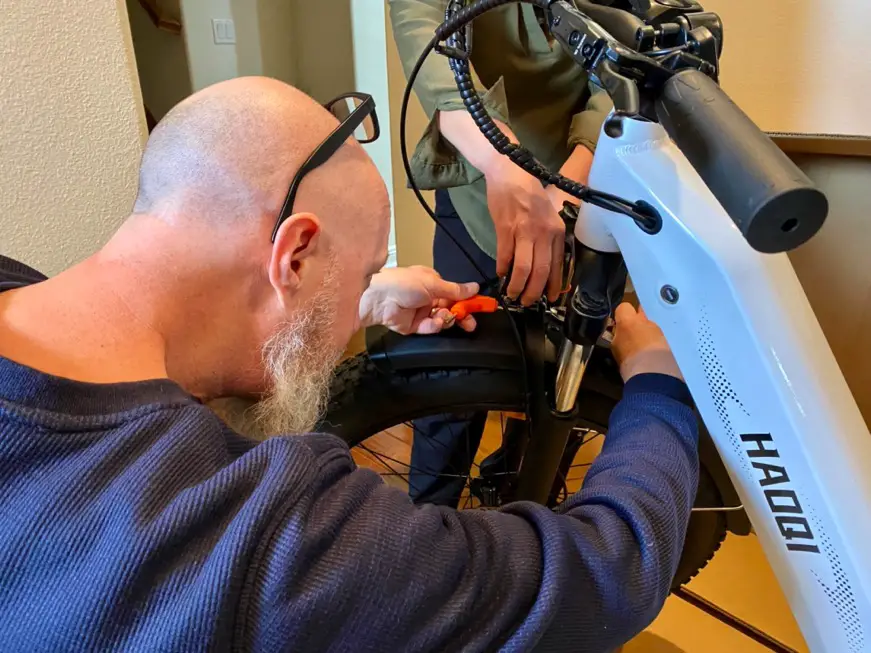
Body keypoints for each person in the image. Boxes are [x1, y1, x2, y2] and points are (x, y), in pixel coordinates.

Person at [0, 77, 697, 652]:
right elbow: (611, 573)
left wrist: (353, 299)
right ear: (293, 256)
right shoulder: (264, 541)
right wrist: (660, 388)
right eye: (364, 268)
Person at [390, 0, 615, 506]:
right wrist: (504, 163)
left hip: (589, 187)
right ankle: (426, 529)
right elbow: (425, 38)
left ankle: (516, 495)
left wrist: (566, 190)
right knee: (449, 378)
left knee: (567, 374)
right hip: (478, 187)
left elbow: (621, 74)